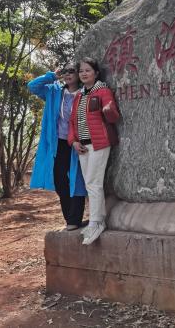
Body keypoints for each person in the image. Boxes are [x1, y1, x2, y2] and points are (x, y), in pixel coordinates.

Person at [28, 64, 87, 230]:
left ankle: (74, 220)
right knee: (60, 180)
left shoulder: (84, 93)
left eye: (71, 71)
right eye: (65, 71)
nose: (68, 74)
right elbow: (32, 86)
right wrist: (52, 75)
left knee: (77, 180)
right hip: (58, 143)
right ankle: (69, 218)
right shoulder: (55, 92)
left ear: (78, 74)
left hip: (78, 142)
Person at [68, 57, 120, 245]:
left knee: (93, 182)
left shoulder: (103, 91)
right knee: (90, 183)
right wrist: (73, 141)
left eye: (88, 70)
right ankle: (97, 220)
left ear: (96, 73)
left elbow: (113, 117)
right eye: (81, 71)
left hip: (99, 143)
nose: (83, 74)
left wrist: (108, 110)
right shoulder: (79, 96)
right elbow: (72, 122)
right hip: (82, 146)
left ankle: (96, 222)